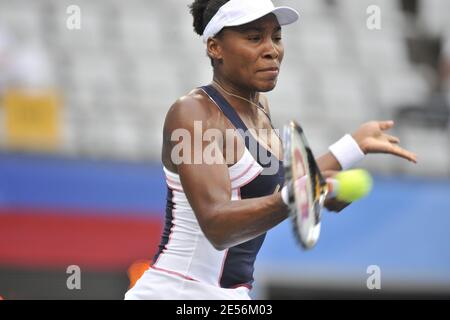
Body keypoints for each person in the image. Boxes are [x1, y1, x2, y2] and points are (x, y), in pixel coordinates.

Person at [125, 0, 417, 300]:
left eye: (276, 37)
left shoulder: (259, 107)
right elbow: (217, 225)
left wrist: (351, 147)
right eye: (254, 38)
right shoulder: (193, 113)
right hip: (175, 293)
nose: (272, 50)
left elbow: (279, 186)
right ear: (215, 47)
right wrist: (300, 195)